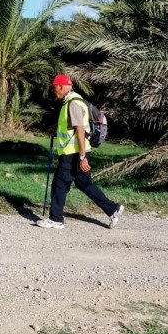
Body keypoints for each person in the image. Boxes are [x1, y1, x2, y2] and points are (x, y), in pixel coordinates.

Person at [36, 74, 124, 229]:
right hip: (76, 151)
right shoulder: (71, 101)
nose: (53, 90)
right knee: (84, 183)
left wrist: (83, 157)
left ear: (61, 86)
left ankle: (56, 219)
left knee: (59, 184)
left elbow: (80, 130)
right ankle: (113, 209)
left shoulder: (73, 103)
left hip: (74, 153)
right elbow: (71, 128)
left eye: (54, 87)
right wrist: (56, 131)